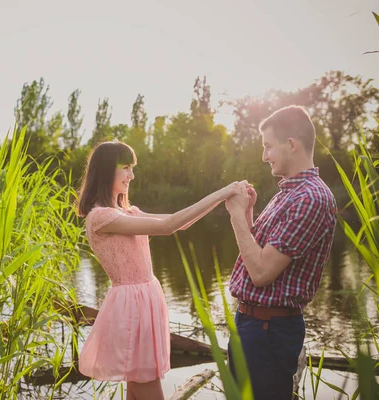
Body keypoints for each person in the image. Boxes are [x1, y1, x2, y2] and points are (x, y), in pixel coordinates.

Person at [76, 140, 246, 400]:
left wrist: (224, 198)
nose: (132, 175)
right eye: (126, 168)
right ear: (106, 170)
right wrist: (223, 192)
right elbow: (167, 225)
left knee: (137, 387)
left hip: (144, 302)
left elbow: (180, 224)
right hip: (132, 308)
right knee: (147, 384)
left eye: (133, 168)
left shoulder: (127, 212)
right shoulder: (101, 217)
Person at [225, 105, 338, 400]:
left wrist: (235, 215)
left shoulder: (310, 198)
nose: (264, 156)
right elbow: (258, 255)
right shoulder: (288, 193)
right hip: (254, 326)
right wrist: (248, 213)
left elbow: (261, 273)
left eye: (268, 146)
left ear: (291, 145)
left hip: (268, 331)